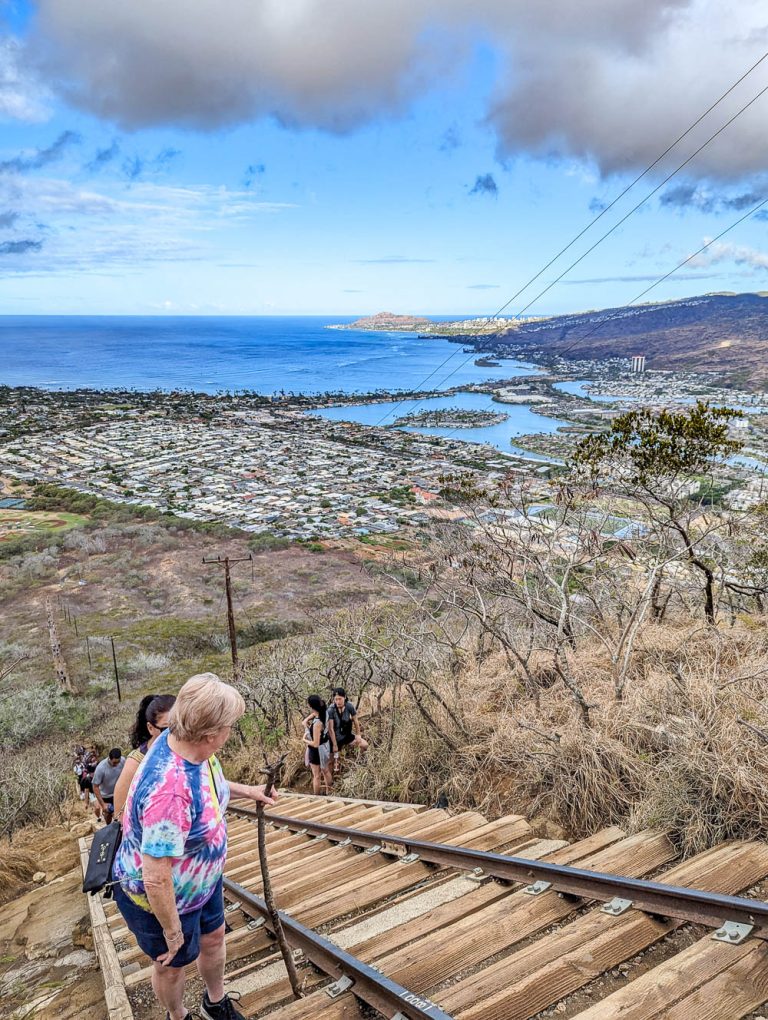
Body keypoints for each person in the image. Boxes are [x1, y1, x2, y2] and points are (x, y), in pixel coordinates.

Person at [112, 672, 277, 1020]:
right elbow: (156, 877)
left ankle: (214, 1003)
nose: (231, 731)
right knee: (173, 964)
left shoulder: (186, 744)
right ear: (211, 734)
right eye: (229, 725)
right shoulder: (169, 793)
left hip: (202, 882)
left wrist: (249, 792)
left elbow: (206, 781)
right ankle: (178, 1015)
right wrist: (172, 932)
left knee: (213, 938)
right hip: (164, 900)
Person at [113, 694, 176, 821]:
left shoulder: (185, 753)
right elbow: (120, 815)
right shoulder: (136, 763)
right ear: (150, 728)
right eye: (166, 729)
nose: (174, 734)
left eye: (179, 727)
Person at [327, 688, 368, 772]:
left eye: (340, 699)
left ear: (344, 697)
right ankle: (331, 780)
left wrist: (358, 735)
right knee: (332, 762)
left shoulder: (349, 706)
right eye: (336, 699)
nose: (338, 701)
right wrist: (335, 745)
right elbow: (330, 729)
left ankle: (359, 763)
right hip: (335, 738)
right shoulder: (331, 710)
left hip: (346, 735)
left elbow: (356, 721)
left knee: (364, 745)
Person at [302, 695, 333, 796]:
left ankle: (317, 796)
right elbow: (314, 714)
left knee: (316, 775)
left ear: (310, 706)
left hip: (316, 751)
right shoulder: (325, 712)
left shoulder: (317, 723)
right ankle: (330, 792)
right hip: (325, 746)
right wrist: (306, 720)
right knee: (326, 771)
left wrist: (305, 740)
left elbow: (315, 744)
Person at [92, 747, 125, 824]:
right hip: (106, 796)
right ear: (109, 758)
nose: (116, 765)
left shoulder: (123, 761)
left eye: (118, 762)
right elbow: (95, 786)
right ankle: (108, 827)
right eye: (114, 763)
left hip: (118, 793)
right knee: (108, 815)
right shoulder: (101, 768)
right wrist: (103, 805)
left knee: (119, 816)